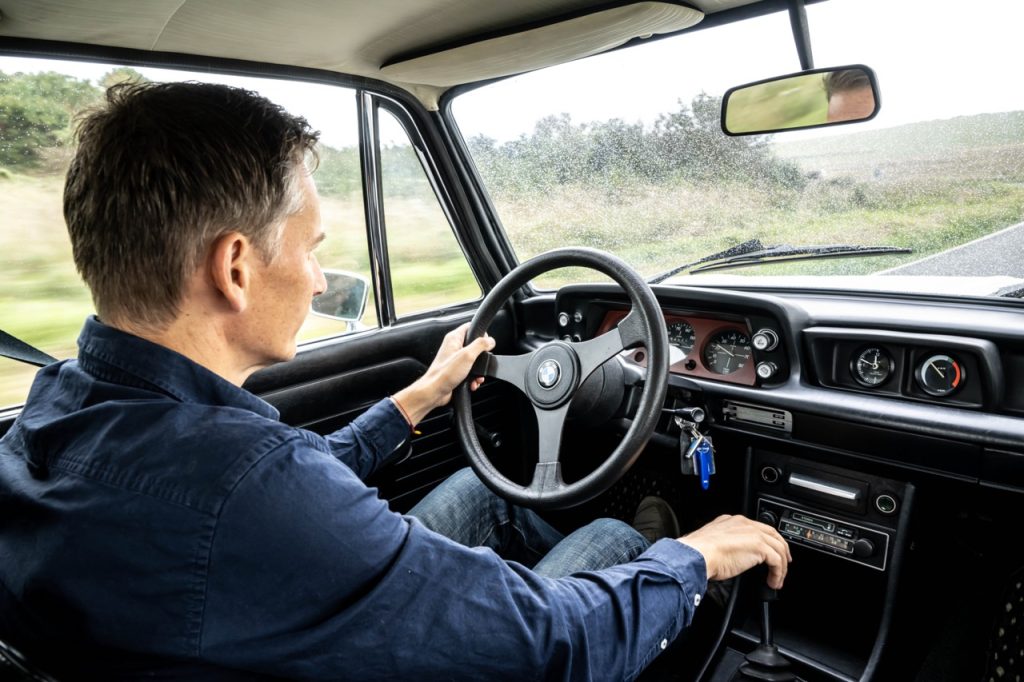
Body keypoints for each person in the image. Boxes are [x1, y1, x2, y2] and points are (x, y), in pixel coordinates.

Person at [0, 82, 790, 680]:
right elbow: (556, 643)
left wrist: (417, 398)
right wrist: (696, 556)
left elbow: (259, 504)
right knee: (622, 543)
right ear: (235, 267)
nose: (317, 280)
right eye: (312, 248)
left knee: (489, 497)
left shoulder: (60, 408)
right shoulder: (246, 487)